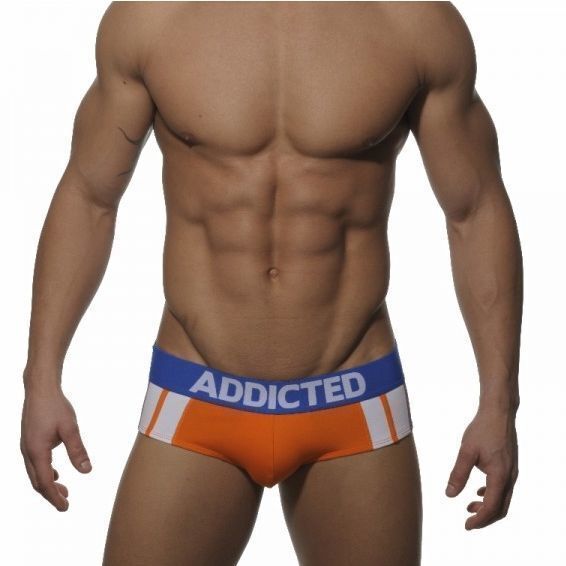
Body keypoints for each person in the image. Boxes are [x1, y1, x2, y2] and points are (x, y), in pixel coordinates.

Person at [20, 2, 522, 565]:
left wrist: (499, 403)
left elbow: (475, 210)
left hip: (353, 395)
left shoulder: (413, 21)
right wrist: (41, 379)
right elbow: (89, 197)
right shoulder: (153, 17)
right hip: (197, 391)